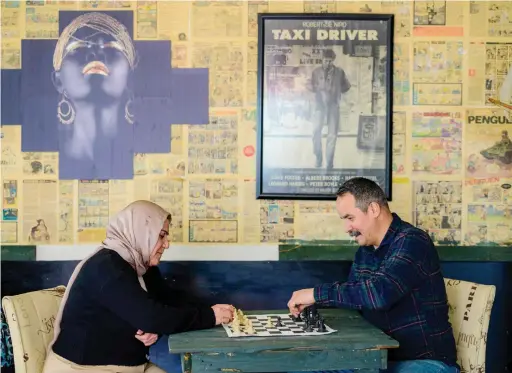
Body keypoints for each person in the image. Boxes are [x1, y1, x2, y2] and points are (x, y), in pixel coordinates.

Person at [287, 177, 460, 373]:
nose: (346, 228)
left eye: (350, 218)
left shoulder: (412, 241)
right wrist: (318, 302)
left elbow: (379, 293)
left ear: (373, 209)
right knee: (300, 368)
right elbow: (357, 299)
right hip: (376, 357)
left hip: (424, 362)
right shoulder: (366, 250)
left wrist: (316, 294)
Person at [43, 200, 234, 373]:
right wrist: (210, 316)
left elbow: (166, 303)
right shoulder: (106, 268)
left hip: (127, 364)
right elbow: (153, 317)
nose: (166, 244)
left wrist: (157, 326)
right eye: (161, 236)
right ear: (142, 233)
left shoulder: (141, 266)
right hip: (83, 368)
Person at [310, 49, 351, 169]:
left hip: (333, 105)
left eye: (330, 61)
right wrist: (318, 89)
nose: (328, 63)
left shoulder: (339, 72)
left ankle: (329, 163)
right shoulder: (316, 72)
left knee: (332, 134)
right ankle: (318, 159)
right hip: (319, 105)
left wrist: (337, 91)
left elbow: (347, 86)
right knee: (315, 131)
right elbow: (311, 86)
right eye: (326, 60)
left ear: (333, 60)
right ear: (322, 59)